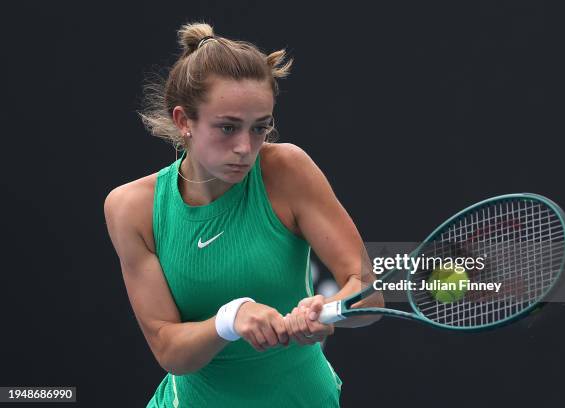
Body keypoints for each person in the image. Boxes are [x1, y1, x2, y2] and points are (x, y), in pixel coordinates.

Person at [104, 21, 382, 407]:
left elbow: (366, 290)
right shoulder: (130, 207)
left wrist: (328, 310)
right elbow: (169, 349)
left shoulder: (287, 170)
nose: (244, 147)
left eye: (259, 128)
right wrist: (230, 319)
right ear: (184, 121)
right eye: (228, 128)